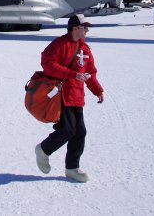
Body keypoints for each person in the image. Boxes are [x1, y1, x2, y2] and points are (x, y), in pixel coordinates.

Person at [34, 14, 104, 183]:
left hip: (77, 96)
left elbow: (90, 73)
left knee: (80, 132)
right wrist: (73, 74)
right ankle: (43, 150)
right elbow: (47, 63)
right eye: (84, 27)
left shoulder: (85, 50)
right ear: (75, 28)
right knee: (68, 130)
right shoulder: (60, 44)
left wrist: (97, 90)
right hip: (60, 94)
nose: (86, 30)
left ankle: (72, 168)